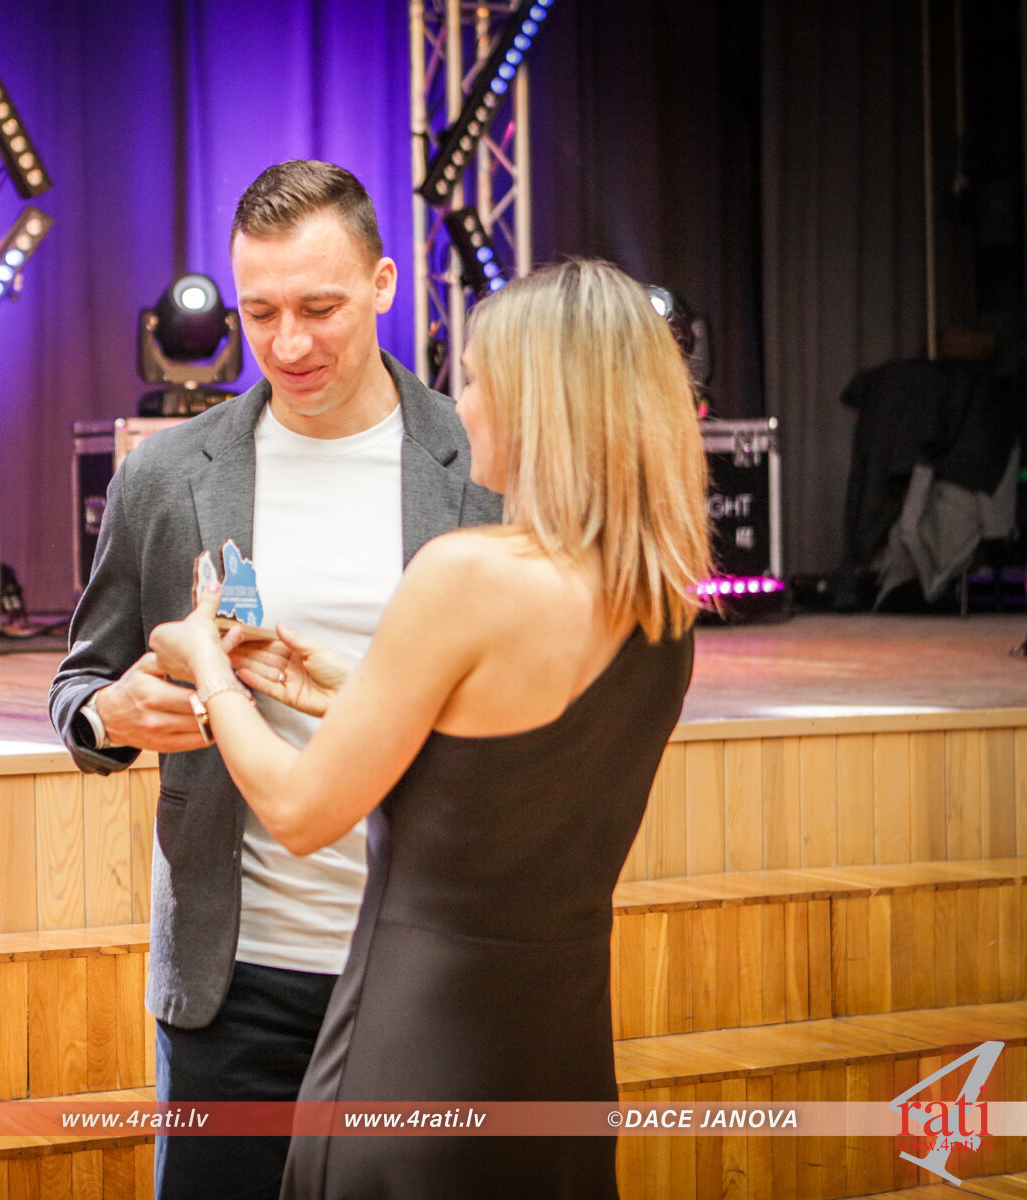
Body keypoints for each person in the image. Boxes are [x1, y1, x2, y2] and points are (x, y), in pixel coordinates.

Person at [148, 258, 712, 1199]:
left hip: (420, 1049)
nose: (464, 406)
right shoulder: (662, 598)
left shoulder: (468, 573)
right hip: (559, 1055)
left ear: (541, 405)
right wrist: (356, 694)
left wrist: (206, 660)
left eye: (478, 380)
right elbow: (504, 770)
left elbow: (299, 812)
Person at [49, 161, 500, 1200]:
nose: (289, 343)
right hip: (235, 985)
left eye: (320, 309)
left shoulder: (479, 463)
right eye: (260, 313)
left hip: (427, 973)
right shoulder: (168, 475)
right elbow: (81, 689)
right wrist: (113, 713)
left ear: (384, 284)